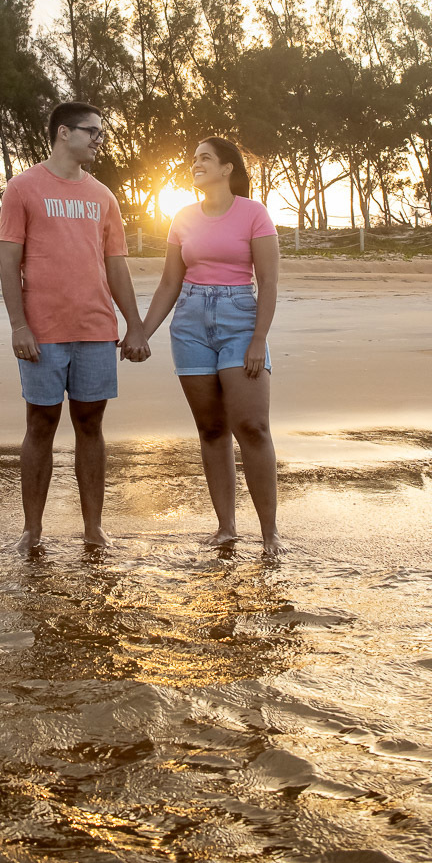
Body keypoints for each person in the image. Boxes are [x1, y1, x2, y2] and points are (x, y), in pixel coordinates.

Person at [0, 101, 150, 554]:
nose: (99, 140)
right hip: (41, 331)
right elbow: (8, 262)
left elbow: (116, 266)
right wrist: (18, 325)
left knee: (91, 424)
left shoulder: (104, 196)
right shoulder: (23, 188)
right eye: (92, 132)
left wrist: (135, 325)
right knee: (40, 423)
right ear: (64, 133)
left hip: (95, 329)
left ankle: (93, 529)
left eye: (101, 132)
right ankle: (33, 530)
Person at [141, 137, 284, 556]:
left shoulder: (254, 214)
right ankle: (226, 528)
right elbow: (169, 282)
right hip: (189, 323)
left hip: (241, 321)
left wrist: (259, 339)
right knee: (212, 429)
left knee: (253, 428)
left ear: (227, 168)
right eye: (193, 160)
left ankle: (270, 533)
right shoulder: (181, 217)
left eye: (205, 158)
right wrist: (142, 332)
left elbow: (270, 282)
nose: (196, 164)